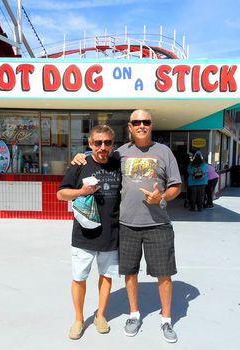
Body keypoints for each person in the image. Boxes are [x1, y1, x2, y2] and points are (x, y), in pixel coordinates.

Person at [72, 110, 181, 343]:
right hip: (126, 225)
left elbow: (176, 186)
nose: (142, 125)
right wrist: (80, 156)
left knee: (164, 274)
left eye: (146, 121)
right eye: (136, 122)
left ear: (151, 126)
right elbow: (97, 156)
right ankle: (134, 314)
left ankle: (166, 319)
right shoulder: (119, 153)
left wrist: (162, 196)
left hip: (158, 224)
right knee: (130, 273)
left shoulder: (164, 152)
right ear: (130, 127)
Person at [57, 125, 121, 340]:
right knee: (79, 278)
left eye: (107, 142)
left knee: (106, 276)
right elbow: (61, 194)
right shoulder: (80, 164)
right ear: (90, 144)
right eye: (98, 143)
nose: (103, 147)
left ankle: (100, 315)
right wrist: (81, 192)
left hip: (111, 233)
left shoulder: (118, 164)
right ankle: (78, 319)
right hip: (83, 234)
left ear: (113, 144)